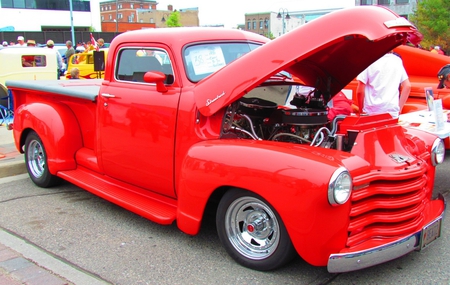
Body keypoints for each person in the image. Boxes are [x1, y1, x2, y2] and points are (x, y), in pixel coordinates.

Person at [356, 51, 411, 119]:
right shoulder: (397, 60)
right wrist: (399, 109)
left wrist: (361, 111)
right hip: (391, 112)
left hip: (371, 112)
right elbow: (407, 86)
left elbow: (360, 91)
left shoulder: (369, 60)